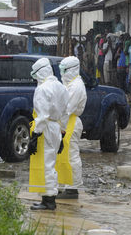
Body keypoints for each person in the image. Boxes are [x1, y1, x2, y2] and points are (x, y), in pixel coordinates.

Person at [28, 58, 69, 210]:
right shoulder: (61, 87)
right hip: (56, 127)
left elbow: (42, 115)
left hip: (45, 128)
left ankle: (49, 200)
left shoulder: (43, 89)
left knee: (46, 165)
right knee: (50, 163)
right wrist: (62, 132)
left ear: (40, 72)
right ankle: (48, 198)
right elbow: (66, 111)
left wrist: (35, 135)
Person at [56, 56, 87, 199]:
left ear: (72, 70)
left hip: (71, 123)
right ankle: (65, 184)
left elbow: (67, 109)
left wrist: (61, 127)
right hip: (66, 122)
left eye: (64, 70)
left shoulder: (76, 86)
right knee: (63, 156)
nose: (62, 73)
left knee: (72, 156)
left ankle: (72, 189)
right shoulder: (71, 84)